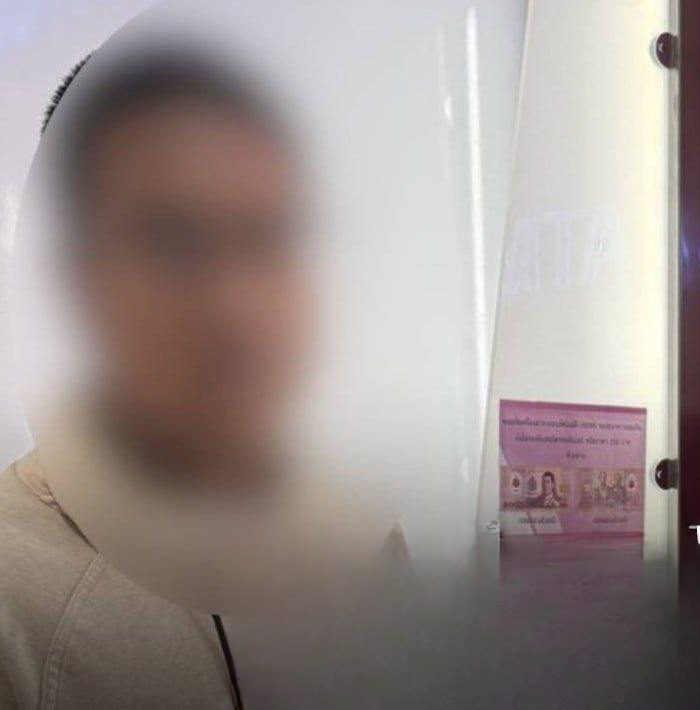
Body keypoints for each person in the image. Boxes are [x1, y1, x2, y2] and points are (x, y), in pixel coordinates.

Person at [0, 48, 405, 709]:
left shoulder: (361, 536)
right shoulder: (15, 590)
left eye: (267, 236)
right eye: (172, 241)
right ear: (71, 269)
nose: (233, 305)